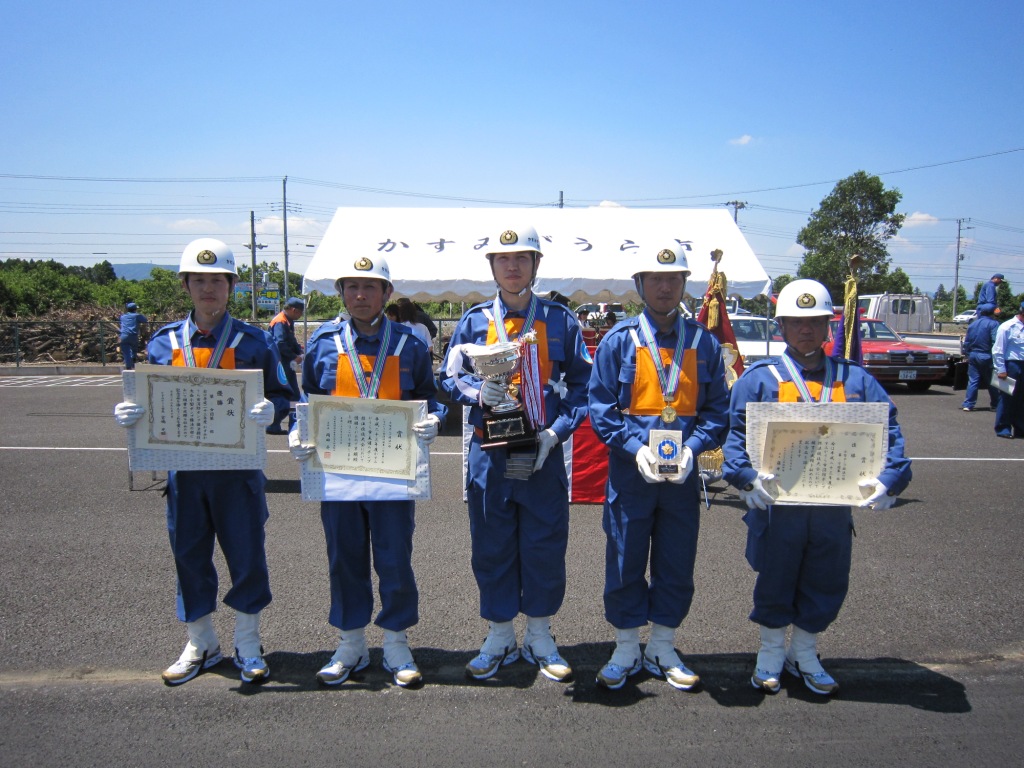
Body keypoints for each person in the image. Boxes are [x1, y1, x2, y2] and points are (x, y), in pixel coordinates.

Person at [113, 238, 292, 685]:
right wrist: (133, 413)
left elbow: (285, 396)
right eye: (199, 280)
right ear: (186, 285)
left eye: (217, 280)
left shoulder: (255, 341)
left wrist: (274, 411)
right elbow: (151, 398)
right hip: (184, 473)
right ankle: (201, 640)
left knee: (246, 556)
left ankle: (248, 640)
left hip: (238, 473)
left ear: (231, 286)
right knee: (189, 555)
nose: (208, 288)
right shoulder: (163, 342)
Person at [723, 278, 912, 696]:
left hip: (832, 508)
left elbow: (890, 432)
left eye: (815, 322)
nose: (805, 330)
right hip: (778, 508)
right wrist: (744, 476)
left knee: (826, 578)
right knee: (775, 578)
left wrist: (890, 480)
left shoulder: (856, 380)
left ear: (829, 326)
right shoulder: (758, 380)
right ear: (781, 327)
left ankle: (804, 651)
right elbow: (734, 436)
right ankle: (771, 651)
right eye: (795, 322)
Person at [439, 224, 592, 683]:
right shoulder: (472, 321)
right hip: (490, 448)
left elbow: (584, 387)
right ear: (491, 266)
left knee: (544, 541)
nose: (512, 266)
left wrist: (556, 432)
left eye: (522, 258)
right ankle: (500, 633)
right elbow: (448, 379)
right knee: (492, 541)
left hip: (540, 450)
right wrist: (476, 394)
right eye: (503, 259)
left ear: (536, 265)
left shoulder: (562, 321)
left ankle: (541, 634)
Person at [290, 254, 447, 688]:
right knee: (345, 557)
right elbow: (307, 401)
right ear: (340, 293)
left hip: (393, 473)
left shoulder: (410, 345)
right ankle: (351, 643)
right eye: (352, 287)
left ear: (387, 294)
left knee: (395, 558)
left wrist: (433, 419)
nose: (360, 295)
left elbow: (429, 398)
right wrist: (296, 431)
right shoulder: (323, 342)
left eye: (370, 287)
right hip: (338, 476)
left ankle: (396, 641)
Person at [588, 244, 730, 691]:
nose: (665, 286)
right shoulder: (619, 340)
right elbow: (601, 408)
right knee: (626, 558)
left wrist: (695, 448)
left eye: (673, 279)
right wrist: (633, 447)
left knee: (675, 560)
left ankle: (664, 644)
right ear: (640, 285)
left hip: (682, 477)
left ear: (684, 284)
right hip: (633, 475)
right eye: (655, 279)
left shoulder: (703, 342)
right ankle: (627, 645)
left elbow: (717, 410)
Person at [267, 296, 306, 433]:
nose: (301, 315)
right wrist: (295, 357)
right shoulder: (280, 322)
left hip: (284, 363)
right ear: (294, 310)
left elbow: (292, 341)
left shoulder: (287, 321)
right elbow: (280, 344)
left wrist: (300, 352)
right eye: (300, 312)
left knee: (290, 395)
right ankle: (283, 425)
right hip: (281, 363)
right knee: (291, 395)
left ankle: (281, 424)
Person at [992, 300, 1024, 439]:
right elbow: (998, 350)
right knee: (1007, 398)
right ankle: (1003, 427)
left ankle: (1020, 428)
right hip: (1012, 365)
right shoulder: (1007, 327)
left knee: (1021, 399)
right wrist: (1001, 369)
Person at [961, 303, 1000, 412]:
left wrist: (967, 354)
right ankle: (995, 404)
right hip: (986, 355)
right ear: (992, 313)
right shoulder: (993, 324)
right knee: (992, 381)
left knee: (973, 380)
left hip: (973, 354)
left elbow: (967, 341)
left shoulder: (973, 324)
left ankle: (968, 404)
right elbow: (995, 341)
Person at [118, 301, 148, 370]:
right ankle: (133, 360)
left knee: (126, 352)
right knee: (134, 350)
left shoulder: (123, 317)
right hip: (133, 335)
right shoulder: (137, 316)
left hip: (124, 335)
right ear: (135, 309)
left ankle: (128, 366)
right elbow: (145, 320)